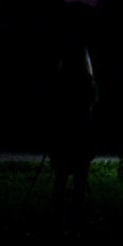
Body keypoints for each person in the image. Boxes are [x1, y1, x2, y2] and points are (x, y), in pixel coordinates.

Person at [48, 39, 98, 233]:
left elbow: (54, 112)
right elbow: (90, 111)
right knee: (79, 184)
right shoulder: (89, 84)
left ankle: (56, 220)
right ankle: (76, 222)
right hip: (81, 140)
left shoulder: (60, 83)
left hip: (63, 139)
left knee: (60, 181)